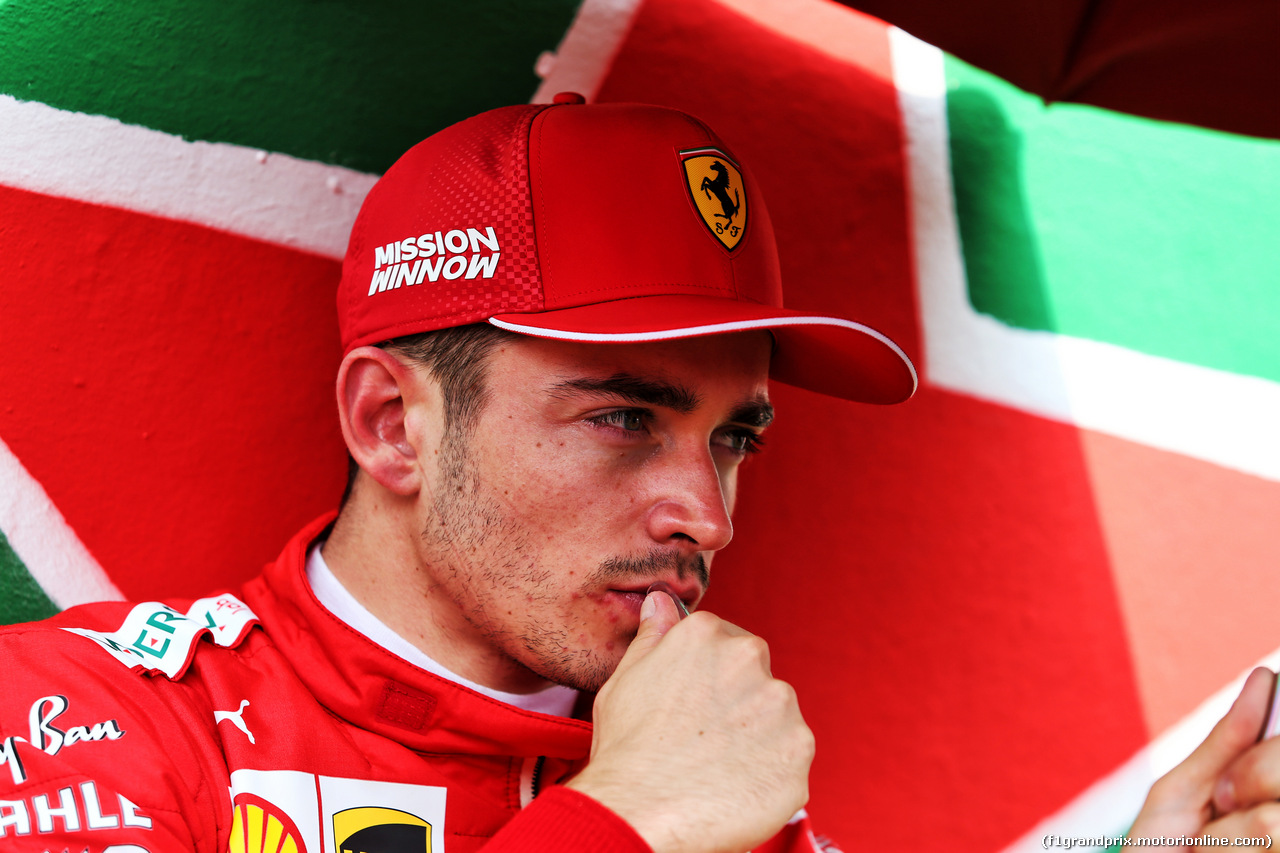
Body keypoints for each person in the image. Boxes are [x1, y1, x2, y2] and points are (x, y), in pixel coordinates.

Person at [0, 95, 1274, 853]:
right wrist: (625, 824)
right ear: (392, 424)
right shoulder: (89, 719)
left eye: (736, 436)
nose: (705, 515)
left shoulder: (722, 779)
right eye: (621, 416)